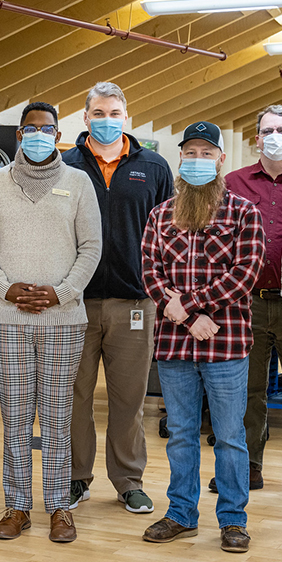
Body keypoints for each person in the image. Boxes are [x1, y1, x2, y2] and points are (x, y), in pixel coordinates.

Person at [0, 102, 102, 543]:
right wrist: (7, 289)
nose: (38, 134)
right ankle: (17, 506)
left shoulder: (79, 182)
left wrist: (60, 293)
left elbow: (91, 248)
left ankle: (60, 508)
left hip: (64, 318)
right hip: (8, 317)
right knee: (14, 414)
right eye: (30, 128)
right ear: (19, 135)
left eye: (46, 128)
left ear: (58, 135)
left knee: (56, 415)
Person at [140, 121, 265, 553]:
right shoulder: (160, 215)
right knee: (180, 433)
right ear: (180, 159)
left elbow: (243, 277)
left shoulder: (244, 213)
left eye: (205, 153)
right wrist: (188, 318)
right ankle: (181, 513)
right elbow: (151, 273)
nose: (197, 161)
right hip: (175, 346)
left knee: (230, 436)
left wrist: (187, 307)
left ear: (221, 160)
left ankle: (233, 519)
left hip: (226, 342)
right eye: (189, 153)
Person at [61, 82, 173, 514]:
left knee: (129, 399)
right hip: (75, 302)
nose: (106, 120)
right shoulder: (65, 163)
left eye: (114, 113)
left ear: (126, 118)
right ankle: (75, 478)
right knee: (75, 396)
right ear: (84, 118)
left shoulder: (154, 167)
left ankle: (128, 480)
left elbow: (170, 234)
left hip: (135, 303)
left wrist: (163, 295)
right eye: (98, 113)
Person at [219, 105, 282, 501]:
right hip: (247, 301)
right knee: (246, 389)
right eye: (267, 130)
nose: (274, 136)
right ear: (256, 138)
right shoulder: (233, 182)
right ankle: (247, 466)